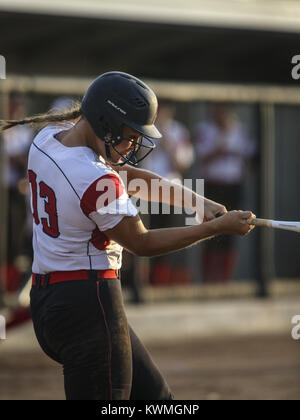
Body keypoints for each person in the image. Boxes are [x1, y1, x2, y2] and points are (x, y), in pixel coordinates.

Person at [0, 72, 255, 400]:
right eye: (130, 135)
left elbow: (126, 175)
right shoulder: (93, 178)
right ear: (105, 121)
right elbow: (141, 242)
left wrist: (196, 200)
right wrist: (213, 228)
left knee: (158, 400)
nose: (134, 145)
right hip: (89, 304)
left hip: (50, 301)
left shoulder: (48, 138)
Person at [194, 102, 256, 284]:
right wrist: (221, 144)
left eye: (224, 109)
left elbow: (249, 157)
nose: (221, 112)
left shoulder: (240, 130)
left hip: (233, 185)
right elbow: (202, 157)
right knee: (206, 231)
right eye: (218, 108)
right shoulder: (205, 129)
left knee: (232, 233)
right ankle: (207, 281)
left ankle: (224, 281)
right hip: (210, 187)